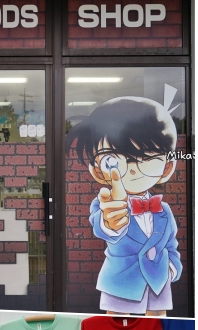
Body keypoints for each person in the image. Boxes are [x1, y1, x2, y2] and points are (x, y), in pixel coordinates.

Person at [65, 95, 181, 315]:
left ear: (166, 168)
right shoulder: (106, 203)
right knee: (116, 328)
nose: (133, 168)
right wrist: (112, 221)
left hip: (159, 282)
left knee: (157, 328)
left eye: (146, 157)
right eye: (114, 158)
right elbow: (104, 227)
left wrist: (172, 269)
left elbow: (171, 245)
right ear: (98, 170)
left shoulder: (164, 210)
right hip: (120, 281)